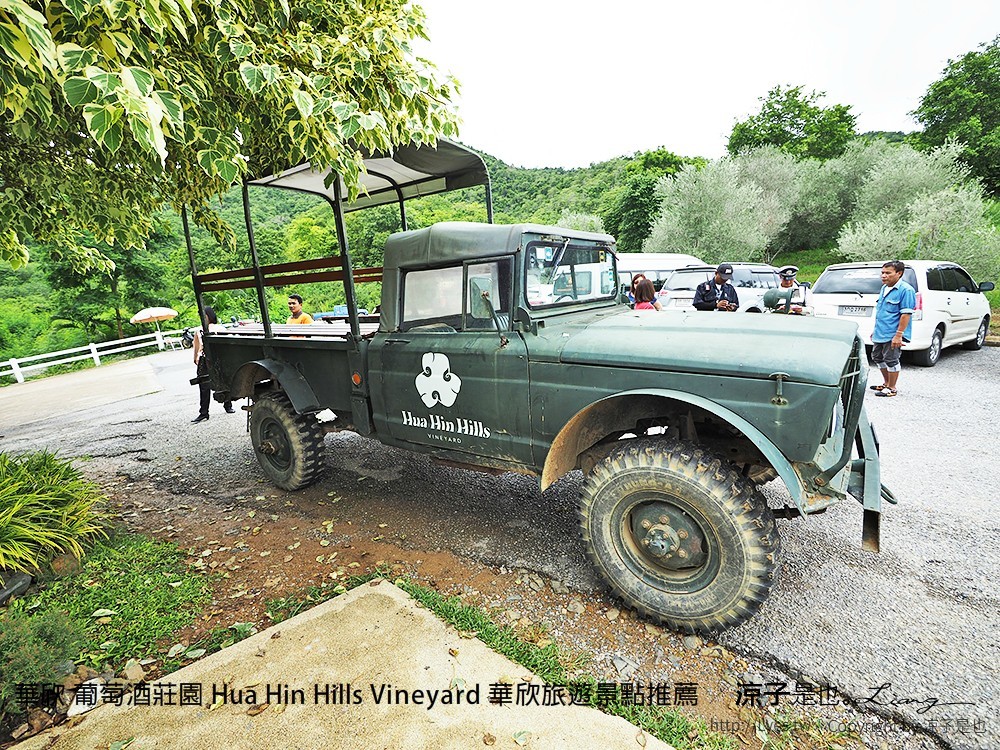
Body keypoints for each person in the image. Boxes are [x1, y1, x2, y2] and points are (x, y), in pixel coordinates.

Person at [870, 260, 916, 398]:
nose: (883, 276)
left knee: (891, 359)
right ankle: (886, 383)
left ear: (899, 273)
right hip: (881, 331)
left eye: (888, 273)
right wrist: (875, 330)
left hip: (893, 333)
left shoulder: (906, 290)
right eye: (882, 272)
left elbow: (906, 314)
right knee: (877, 357)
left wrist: (899, 335)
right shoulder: (885, 288)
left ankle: (892, 387)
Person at [192, 306, 234, 423]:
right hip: (204, 359)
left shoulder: (219, 328)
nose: (202, 318)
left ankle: (228, 405)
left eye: (204, 315)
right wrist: (195, 358)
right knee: (203, 386)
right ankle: (203, 412)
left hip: (218, 358)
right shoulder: (199, 330)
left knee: (223, 381)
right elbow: (196, 346)